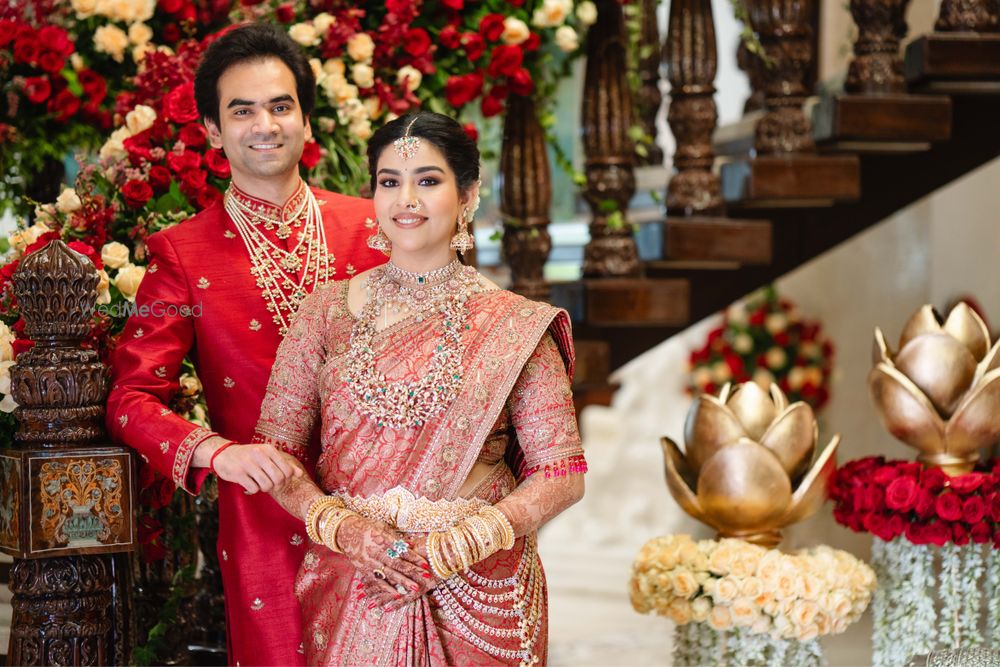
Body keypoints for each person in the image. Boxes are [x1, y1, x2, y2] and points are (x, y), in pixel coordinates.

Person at [253, 111, 587, 665]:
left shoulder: (515, 324)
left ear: (469, 194)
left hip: (479, 589)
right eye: (390, 182)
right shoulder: (322, 313)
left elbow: (561, 472)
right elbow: (276, 455)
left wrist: (455, 547)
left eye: (428, 181)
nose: (406, 199)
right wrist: (348, 532)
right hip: (354, 583)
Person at [105, 22, 386, 666]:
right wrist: (215, 454)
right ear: (212, 131)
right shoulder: (181, 254)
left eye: (281, 106)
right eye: (243, 110)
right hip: (266, 516)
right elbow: (131, 397)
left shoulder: (373, 228)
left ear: (307, 122)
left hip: (390, 507)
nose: (265, 124)